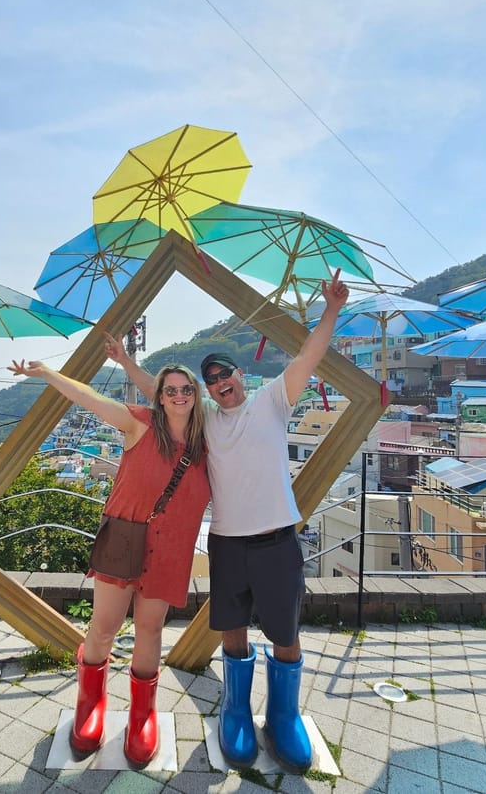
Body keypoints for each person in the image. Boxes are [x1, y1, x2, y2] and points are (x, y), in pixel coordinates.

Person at [105, 270, 349, 772]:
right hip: (227, 543)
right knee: (232, 628)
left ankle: (284, 716)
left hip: (278, 538)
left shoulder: (274, 401)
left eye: (225, 376)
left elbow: (309, 356)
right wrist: (126, 360)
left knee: (285, 630)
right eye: (211, 381)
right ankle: (235, 711)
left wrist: (331, 309)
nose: (220, 385)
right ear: (207, 391)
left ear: (240, 375)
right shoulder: (205, 421)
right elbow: (160, 393)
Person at [7, 358, 210, 767]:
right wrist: (46, 373)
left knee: (150, 629)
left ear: (195, 394)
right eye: (170, 390)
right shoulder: (140, 423)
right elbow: (90, 398)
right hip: (124, 538)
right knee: (103, 627)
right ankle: (89, 706)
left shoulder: (209, 441)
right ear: (160, 396)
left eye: (185, 389)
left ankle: (141, 718)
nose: (178, 395)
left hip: (172, 549)